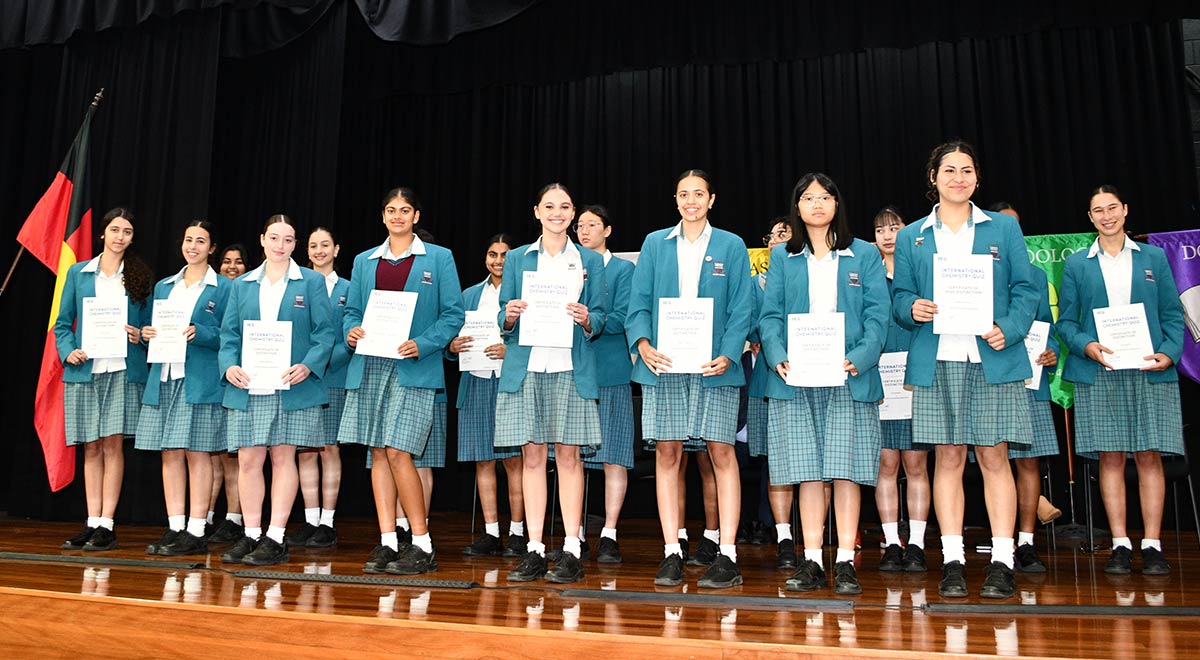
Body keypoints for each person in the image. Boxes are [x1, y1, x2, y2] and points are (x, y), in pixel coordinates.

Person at [892, 140, 1039, 600]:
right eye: (949, 170)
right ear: (932, 177)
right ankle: (952, 559)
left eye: (967, 170)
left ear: (977, 179)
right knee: (948, 458)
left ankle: (1001, 560)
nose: (959, 177)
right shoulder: (912, 235)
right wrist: (911, 307)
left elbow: (1026, 289)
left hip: (992, 357)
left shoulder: (1002, 230)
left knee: (995, 457)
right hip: (937, 359)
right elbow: (899, 298)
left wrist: (1010, 329)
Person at [759, 173, 889, 595]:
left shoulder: (863, 254)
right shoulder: (782, 257)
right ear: (797, 207)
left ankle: (846, 561)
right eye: (808, 198)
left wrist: (860, 358)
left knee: (847, 470)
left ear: (837, 204)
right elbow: (770, 316)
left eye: (825, 196)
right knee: (807, 472)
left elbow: (877, 315)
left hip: (848, 376)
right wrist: (778, 356)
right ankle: (812, 559)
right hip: (796, 377)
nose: (817, 204)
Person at [627, 169, 753, 589]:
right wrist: (643, 343)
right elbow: (638, 301)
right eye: (684, 194)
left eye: (699, 193)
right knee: (667, 453)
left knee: (721, 452)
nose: (691, 200)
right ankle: (671, 551)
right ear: (675, 200)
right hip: (664, 365)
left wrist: (729, 352)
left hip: (714, 366)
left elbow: (742, 307)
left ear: (712, 199)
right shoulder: (654, 243)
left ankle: (728, 553)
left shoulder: (731, 245)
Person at [1057, 184, 1185, 576]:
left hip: (1148, 368)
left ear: (1125, 210)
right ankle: (1119, 544)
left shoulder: (1154, 258)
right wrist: (1087, 346)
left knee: (1149, 456)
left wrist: (1169, 353)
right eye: (1098, 211)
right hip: (1100, 371)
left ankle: (1152, 544)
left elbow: (1172, 315)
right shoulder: (1078, 264)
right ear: (1090, 218)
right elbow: (1066, 322)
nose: (1107, 216)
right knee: (1110, 458)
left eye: (1113, 208)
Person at [339, 188, 463, 576]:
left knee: (399, 452)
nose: (397, 216)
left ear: (415, 215)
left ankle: (422, 543)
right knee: (377, 452)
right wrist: (351, 330)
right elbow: (352, 311)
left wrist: (423, 344)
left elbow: (452, 315)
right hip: (372, 365)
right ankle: (387, 540)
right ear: (383, 217)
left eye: (404, 210)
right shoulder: (364, 261)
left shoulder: (439, 258)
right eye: (391, 210)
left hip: (414, 367)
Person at [497, 183, 608, 585]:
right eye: (549, 206)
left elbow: (602, 316)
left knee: (569, 458)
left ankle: (573, 547)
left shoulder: (589, 261)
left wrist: (587, 318)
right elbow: (503, 320)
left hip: (569, 366)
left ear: (573, 212)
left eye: (564, 207)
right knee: (531, 458)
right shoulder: (518, 260)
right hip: (527, 367)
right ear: (536, 211)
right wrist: (508, 316)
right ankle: (534, 548)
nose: (557, 213)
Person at [218, 214, 336, 566]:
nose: (280, 245)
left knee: (285, 457)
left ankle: (276, 536)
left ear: (295, 244)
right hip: (250, 385)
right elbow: (229, 337)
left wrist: (308, 365)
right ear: (262, 240)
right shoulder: (242, 285)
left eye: (288, 240)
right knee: (249, 460)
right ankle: (252, 534)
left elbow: (325, 333)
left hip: (291, 386)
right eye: (274, 238)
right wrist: (229, 366)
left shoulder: (311, 282)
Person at [56, 207, 153, 552]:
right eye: (115, 230)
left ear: (132, 238)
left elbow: (150, 327)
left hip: (122, 371)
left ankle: (107, 524)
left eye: (127, 232)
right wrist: (69, 350)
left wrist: (138, 334)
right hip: (85, 371)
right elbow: (63, 323)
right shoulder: (78, 273)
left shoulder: (139, 276)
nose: (120, 237)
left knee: (112, 445)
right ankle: (91, 521)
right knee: (90, 447)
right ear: (102, 234)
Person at [136, 220, 230, 556]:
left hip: (200, 382)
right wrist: (146, 335)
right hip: (164, 377)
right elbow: (152, 326)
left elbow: (232, 337)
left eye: (201, 241)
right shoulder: (164, 286)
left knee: (198, 452)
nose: (193, 246)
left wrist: (201, 332)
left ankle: (196, 527)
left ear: (212, 247)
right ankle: (175, 526)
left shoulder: (224, 288)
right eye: (188, 240)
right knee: (170, 453)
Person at [989, 202, 1061, 573]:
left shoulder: (1033, 275)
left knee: (1029, 462)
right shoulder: (977, 272)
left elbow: (1050, 328)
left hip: (1030, 381)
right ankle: (1000, 541)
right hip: (991, 378)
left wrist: (1052, 352)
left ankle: (1027, 542)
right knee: (993, 461)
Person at [451, 234, 527, 558]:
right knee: (483, 460)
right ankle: (491, 532)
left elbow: (531, 338)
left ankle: (519, 532)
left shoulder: (523, 295)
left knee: (514, 461)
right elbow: (453, 335)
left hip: (509, 383)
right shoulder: (469, 295)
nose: (498, 261)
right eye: (492, 254)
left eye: (505, 255)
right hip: (477, 381)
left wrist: (510, 351)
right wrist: (452, 347)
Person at [574, 206, 636, 563]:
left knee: (614, 456)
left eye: (592, 225)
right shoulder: (567, 264)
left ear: (608, 230)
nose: (584, 231)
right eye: (579, 226)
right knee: (572, 458)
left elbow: (625, 316)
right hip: (576, 371)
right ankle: (576, 532)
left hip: (611, 370)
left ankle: (610, 532)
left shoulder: (624, 270)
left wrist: (589, 320)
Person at [872, 206, 931, 573]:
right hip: (880, 379)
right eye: (880, 230)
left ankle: (919, 544)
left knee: (916, 463)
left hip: (915, 377)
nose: (888, 235)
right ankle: (892, 542)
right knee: (887, 463)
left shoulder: (918, 272)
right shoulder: (868, 273)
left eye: (894, 227)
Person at [286, 228, 349, 549]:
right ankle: (310, 520)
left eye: (326, 244)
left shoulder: (348, 290)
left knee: (329, 449)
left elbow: (349, 336)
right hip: (299, 379)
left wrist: (318, 363)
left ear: (336, 249)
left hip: (333, 377)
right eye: (313, 246)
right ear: (306, 251)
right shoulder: (295, 285)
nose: (319, 250)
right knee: (304, 451)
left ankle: (328, 522)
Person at [208, 243, 248, 544]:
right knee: (214, 455)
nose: (232, 267)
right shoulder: (214, 292)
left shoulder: (249, 294)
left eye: (238, 262)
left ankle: (235, 517)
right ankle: (208, 516)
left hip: (242, 381)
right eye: (226, 261)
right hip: (212, 381)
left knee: (234, 456)